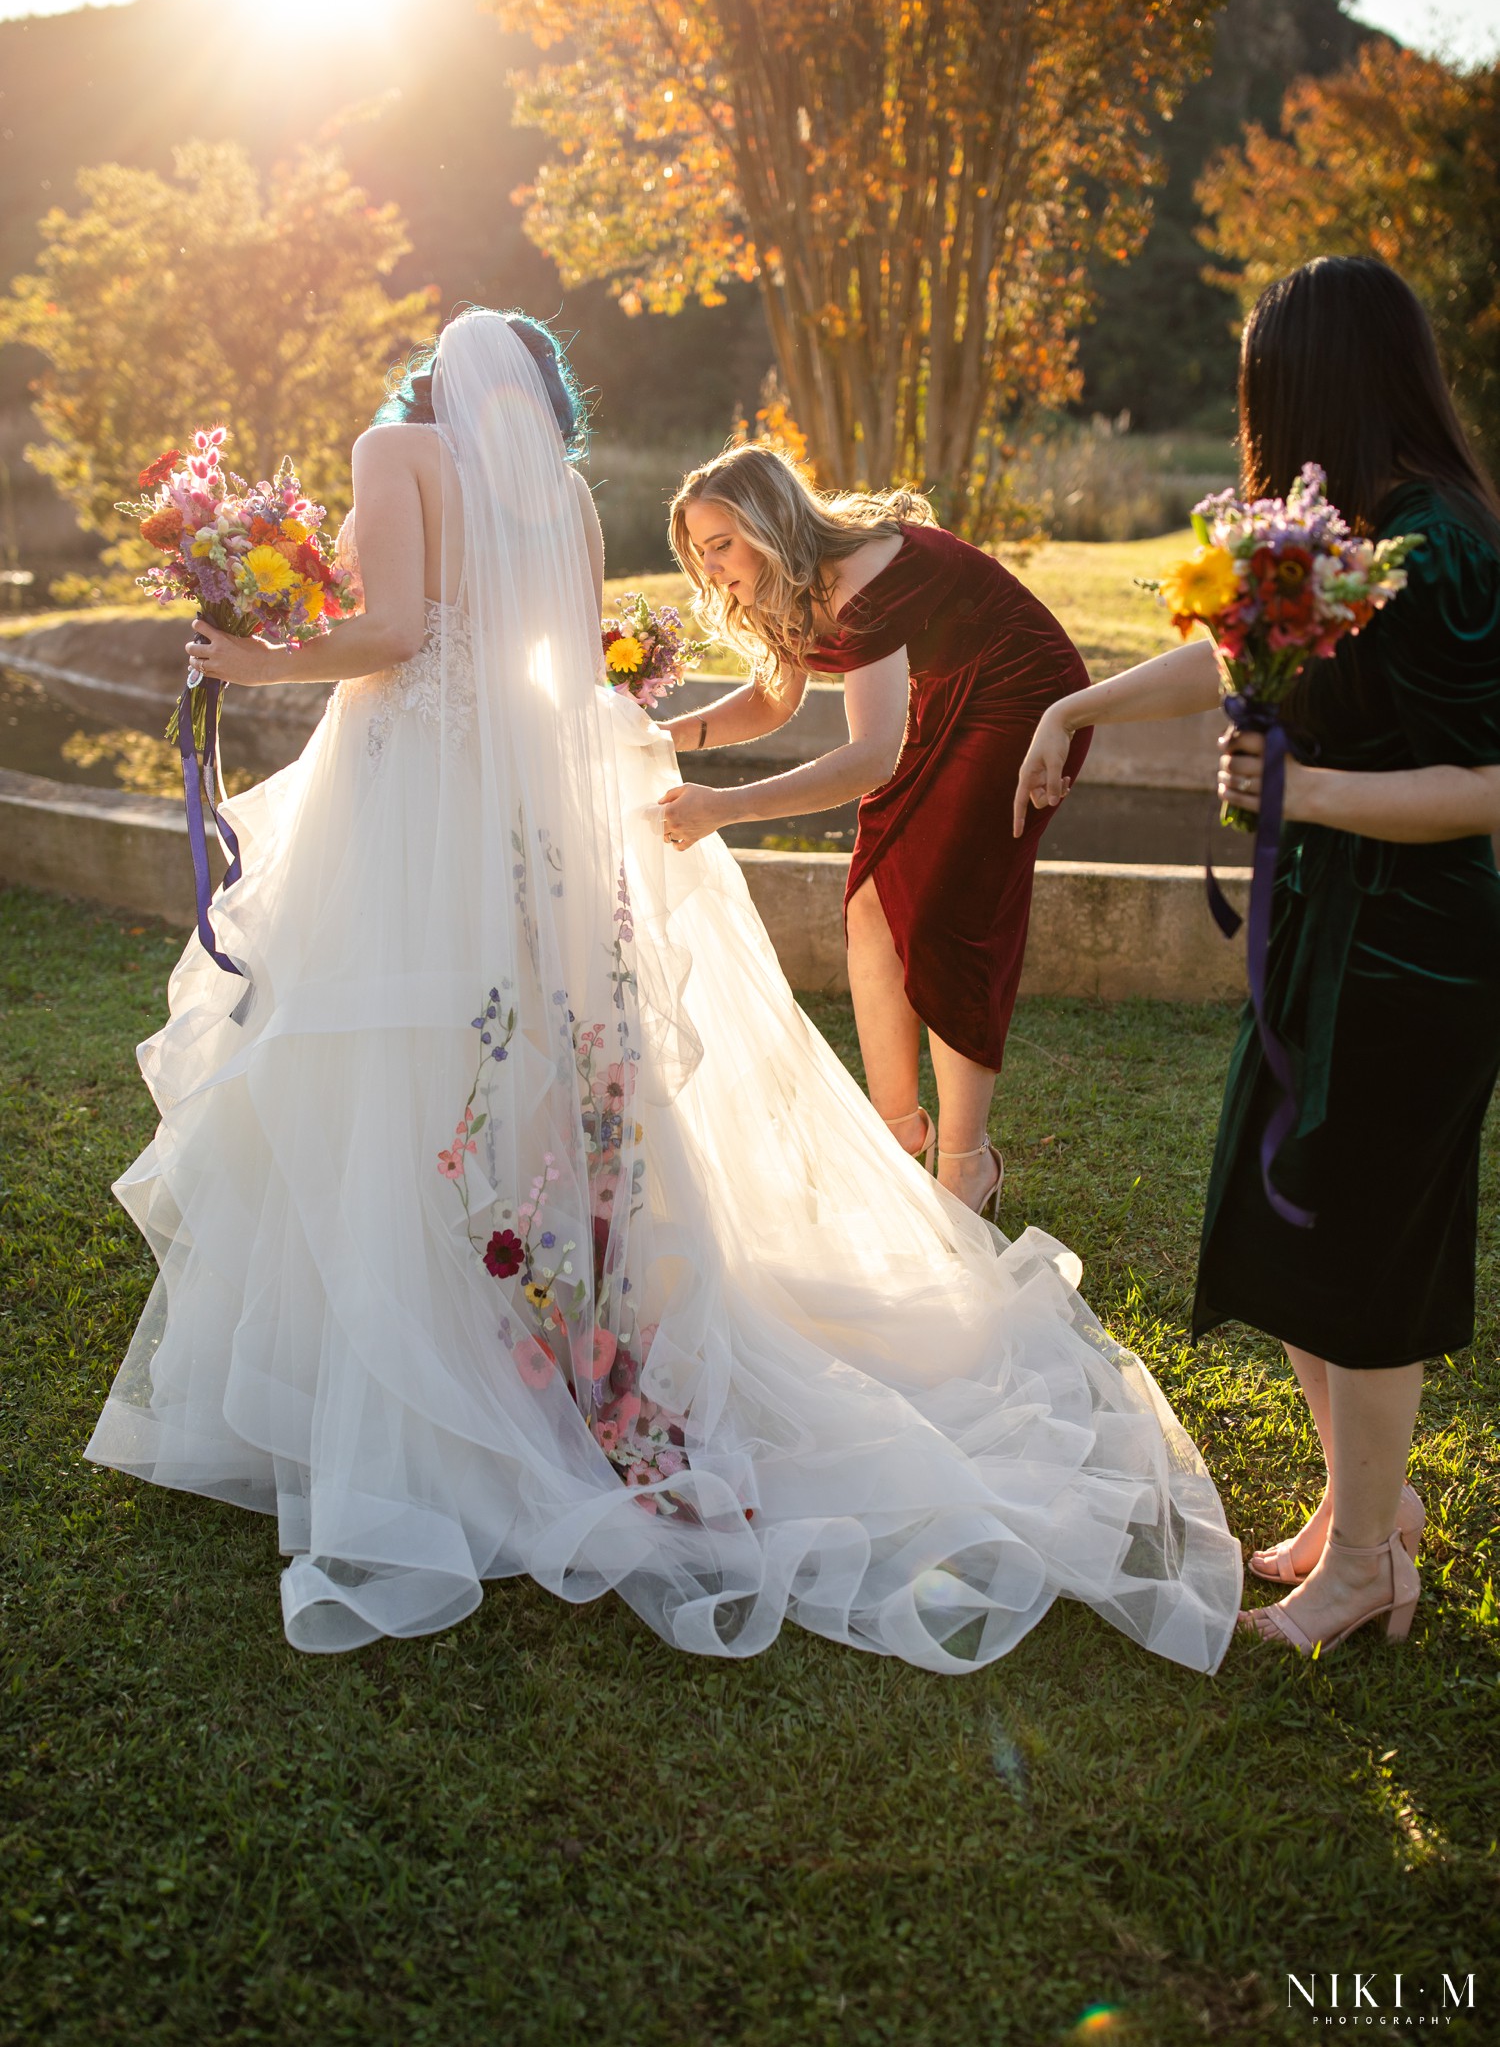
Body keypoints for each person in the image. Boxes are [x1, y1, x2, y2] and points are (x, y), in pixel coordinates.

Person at [86, 307, 1241, 1674]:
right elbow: (564, 681)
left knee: (385, 1041)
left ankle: (401, 1358)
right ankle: (579, 1334)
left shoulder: (392, 446)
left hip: (405, 798)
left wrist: (248, 652)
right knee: (538, 1058)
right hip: (528, 810)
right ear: (541, 392)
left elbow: (387, 627)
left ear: (433, 380)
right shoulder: (566, 495)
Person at [1014, 256, 1500, 1657]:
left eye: (1268, 385)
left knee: (1359, 1247)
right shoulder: (1331, 530)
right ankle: (1376, 1503)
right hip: (1322, 926)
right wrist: (1078, 706)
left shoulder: (1444, 542)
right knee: (1277, 1209)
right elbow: (1228, 650)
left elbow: (1488, 778)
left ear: (1321, 381)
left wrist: (1316, 796)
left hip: (1418, 948)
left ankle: (1358, 1570)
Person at [656, 446, 1092, 1216]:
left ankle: (966, 1166)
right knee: (869, 904)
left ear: (768, 522)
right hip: (945, 694)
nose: (711, 565)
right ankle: (897, 1142)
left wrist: (722, 806)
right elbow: (772, 701)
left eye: (721, 543)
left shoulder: (857, 581)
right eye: (700, 551)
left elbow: (867, 758)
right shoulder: (778, 582)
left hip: (1025, 697)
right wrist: (664, 737)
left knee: (942, 915)